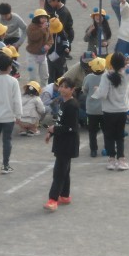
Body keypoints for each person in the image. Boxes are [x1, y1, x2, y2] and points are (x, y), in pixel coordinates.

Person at [91, 52, 129, 171]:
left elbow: (103, 93)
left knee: (109, 135)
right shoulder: (127, 74)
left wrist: (97, 90)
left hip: (109, 111)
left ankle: (111, 159)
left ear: (110, 64)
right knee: (120, 135)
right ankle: (121, 159)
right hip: (122, 110)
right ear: (123, 64)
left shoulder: (106, 76)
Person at [43, 78, 80, 212]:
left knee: (59, 172)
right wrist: (51, 132)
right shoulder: (63, 102)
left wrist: (54, 129)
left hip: (67, 144)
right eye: (61, 86)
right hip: (62, 141)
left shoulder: (72, 105)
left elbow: (71, 127)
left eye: (66, 87)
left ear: (72, 89)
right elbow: (60, 122)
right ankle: (64, 196)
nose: (62, 89)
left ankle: (53, 200)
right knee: (65, 170)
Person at [0, 52, 22, 174]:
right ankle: (5, 165)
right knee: (7, 140)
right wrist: (18, 115)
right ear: (9, 67)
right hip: (8, 116)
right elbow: (17, 100)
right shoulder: (13, 81)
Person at [82, 57, 106, 157]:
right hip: (104, 109)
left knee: (92, 131)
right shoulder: (107, 77)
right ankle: (108, 147)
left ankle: (93, 150)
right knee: (106, 130)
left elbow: (85, 91)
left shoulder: (88, 77)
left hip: (91, 110)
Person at [25, 9, 53, 87]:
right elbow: (33, 37)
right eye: (42, 17)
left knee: (45, 75)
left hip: (42, 55)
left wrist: (48, 45)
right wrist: (42, 29)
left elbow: (50, 39)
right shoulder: (31, 27)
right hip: (32, 55)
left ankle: (44, 90)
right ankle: (32, 90)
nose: (44, 19)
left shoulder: (47, 27)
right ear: (37, 18)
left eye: (45, 17)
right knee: (33, 77)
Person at [46, 18, 71, 84]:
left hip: (60, 56)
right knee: (51, 73)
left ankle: (61, 84)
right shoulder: (47, 32)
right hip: (50, 56)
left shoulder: (61, 32)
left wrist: (66, 47)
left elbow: (65, 40)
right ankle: (51, 85)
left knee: (61, 73)